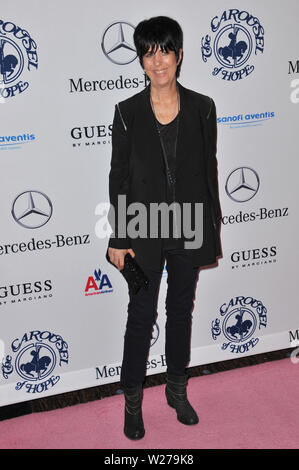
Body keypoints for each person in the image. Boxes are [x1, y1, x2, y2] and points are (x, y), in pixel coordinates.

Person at [107, 16, 222, 440]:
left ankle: (176, 391)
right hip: (143, 228)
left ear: (179, 55)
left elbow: (208, 172)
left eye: (165, 51)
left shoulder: (203, 107)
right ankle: (132, 403)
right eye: (149, 53)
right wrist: (119, 238)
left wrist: (211, 229)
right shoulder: (126, 113)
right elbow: (118, 179)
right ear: (140, 60)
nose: (158, 62)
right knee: (140, 317)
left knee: (180, 314)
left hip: (189, 225)